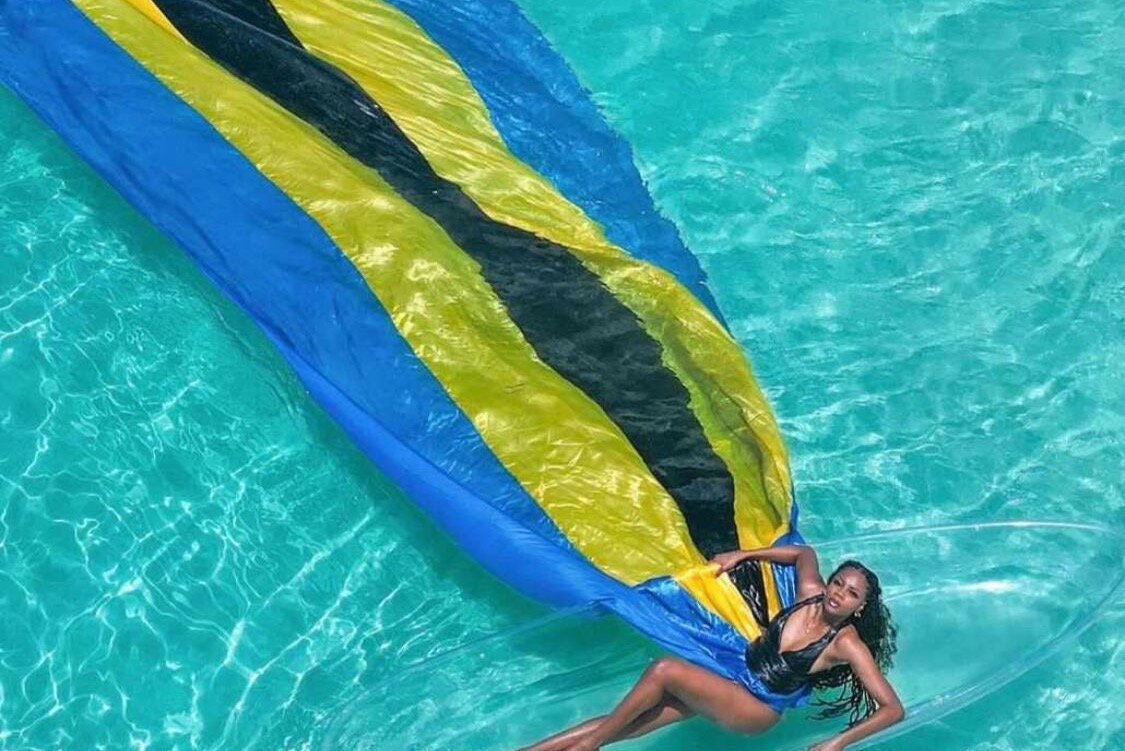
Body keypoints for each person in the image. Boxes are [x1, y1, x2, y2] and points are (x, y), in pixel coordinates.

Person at [520, 544, 904, 750]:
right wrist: (744, 555)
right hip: (733, 676)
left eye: (851, 594)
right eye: (838, 583)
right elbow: (804, 554)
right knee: (623, 724)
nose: (839, 594)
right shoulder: (810, 593)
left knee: (663, 671)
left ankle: (590, 747)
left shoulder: (847, 644)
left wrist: (838, 743)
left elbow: (892, 709)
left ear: (860, 607)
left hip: (757, 709)